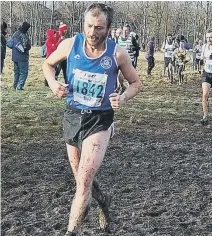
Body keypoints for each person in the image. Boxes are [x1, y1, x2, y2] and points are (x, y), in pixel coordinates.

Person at [42, 3, 141, 234]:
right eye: (89, 26)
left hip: (100, 120)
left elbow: (136, 83)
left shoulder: (117, 53)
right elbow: (47, 64)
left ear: (108, 28)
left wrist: (123, 97)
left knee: (84, 180)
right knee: (81, 180)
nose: (92, 32)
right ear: (83, 24)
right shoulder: (70, 44)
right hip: (73, 116)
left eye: (99, 27)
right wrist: (54, 83)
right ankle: (104, 202)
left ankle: (71, 232)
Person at [8, 22, 31, 90]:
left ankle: (15, 85)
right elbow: (25, 46)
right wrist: (29, 46)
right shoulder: (24, 35)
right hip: (22, 57)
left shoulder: (16, 33)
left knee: (17, 72)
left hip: (15, 56)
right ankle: (20, 86)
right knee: (24, 72)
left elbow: (10, 44)